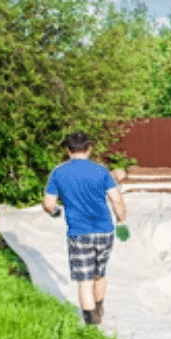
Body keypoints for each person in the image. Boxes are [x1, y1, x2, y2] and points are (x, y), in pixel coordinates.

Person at [42, 131, 130, 325]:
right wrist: (122, 222)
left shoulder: (58, 172)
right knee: (100, 275)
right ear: (89, 149)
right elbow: (116, 199)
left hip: (79, 233)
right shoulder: (101, 171)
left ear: (68, 150)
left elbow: (48, 204)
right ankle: (99, 309)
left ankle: (91, 325)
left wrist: (56, 212)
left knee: (85, 280)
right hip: (104, 231)